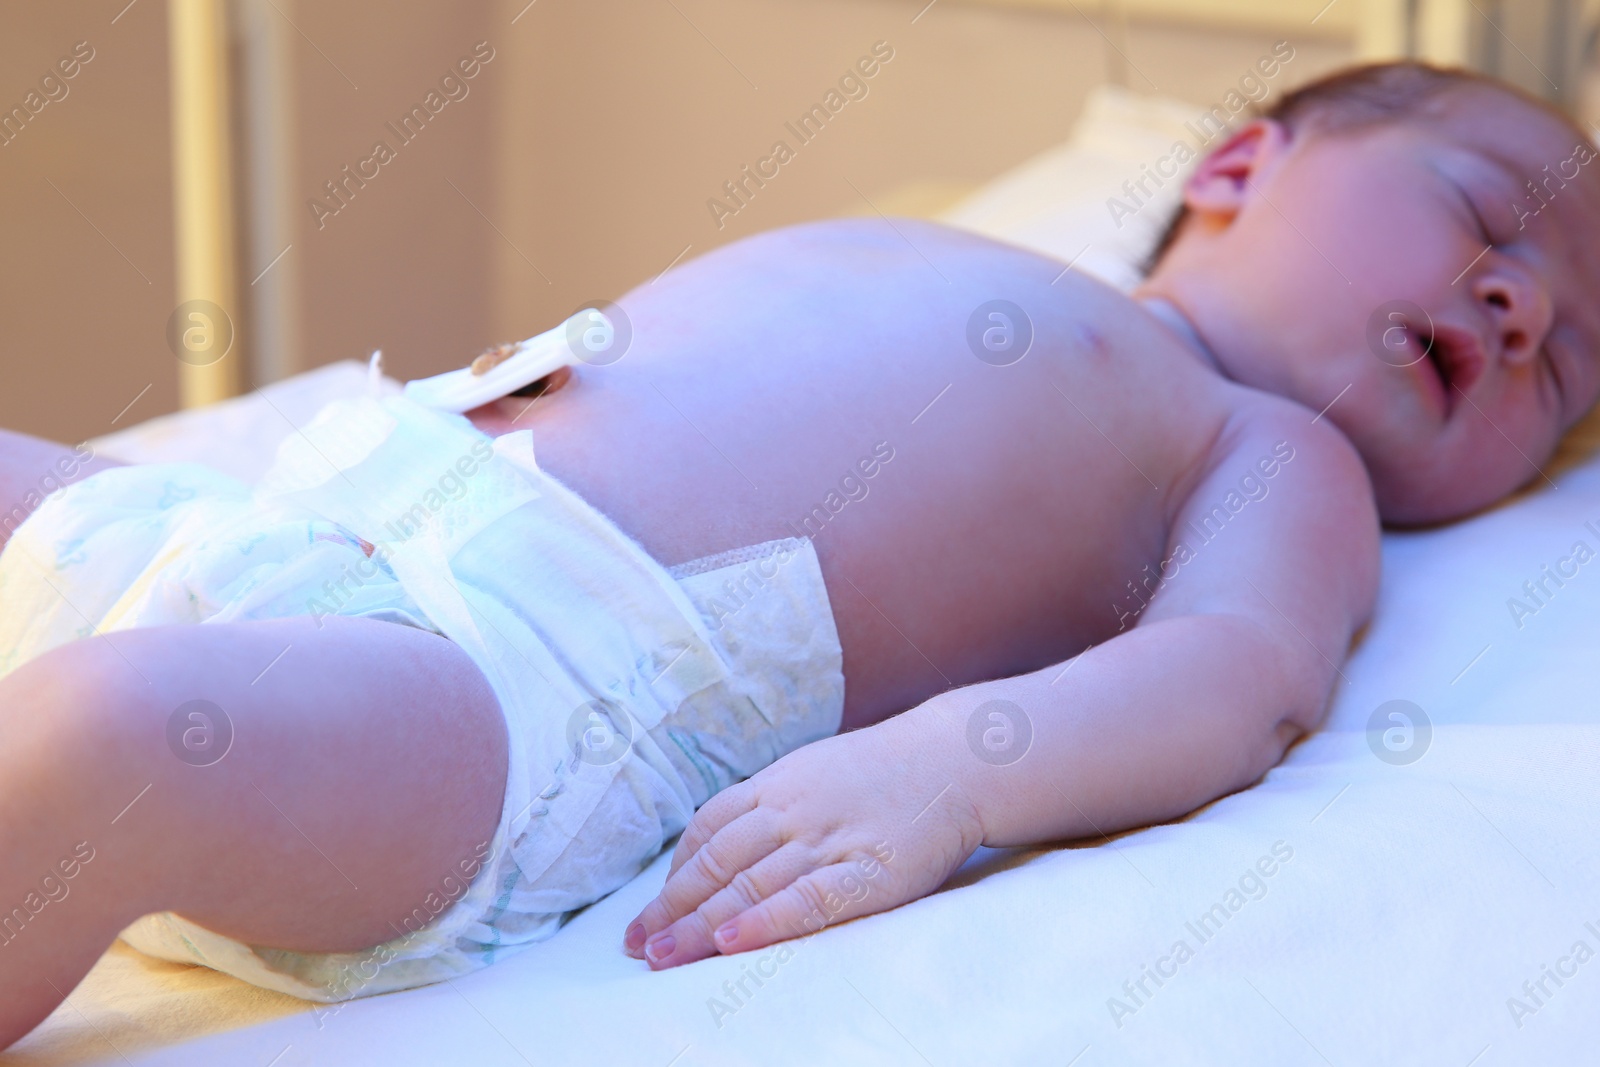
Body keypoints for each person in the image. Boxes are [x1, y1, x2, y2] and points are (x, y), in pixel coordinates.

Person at [1, 60, 1597, 1047]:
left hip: (510, 704)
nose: (1520, 309)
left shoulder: (1267, 450)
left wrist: (949, 778)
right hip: (290, 522)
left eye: (1572, 368)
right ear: (1239, 168)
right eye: (1484, 217)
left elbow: (1231, 677)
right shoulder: (1003, 265)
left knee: (107, 743)